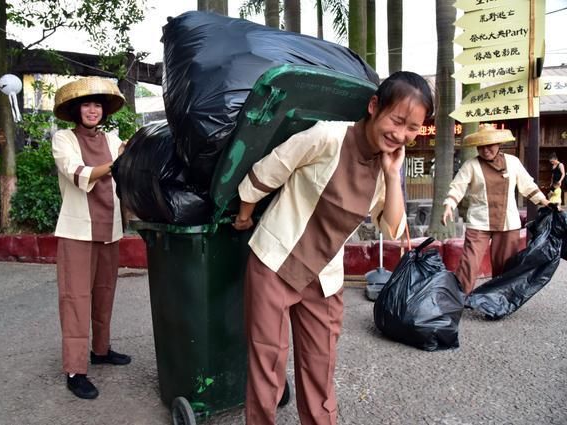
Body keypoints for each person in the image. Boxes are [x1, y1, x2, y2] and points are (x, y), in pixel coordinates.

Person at [232, 71, 434, 424]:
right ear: (374, 106)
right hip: (275, 261)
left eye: (413, 128)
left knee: (320, 367)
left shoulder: (387, 163)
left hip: (324, 277)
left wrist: (391, 174)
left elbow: (393, 227)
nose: (401, 134)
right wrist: (245, 216)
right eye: (397, 120)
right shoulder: (326, 137)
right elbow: (270, 170)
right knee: (268, 363)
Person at [52, 77, 131, 400]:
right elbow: (77, 173)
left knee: (104, 292)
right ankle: (75, 369)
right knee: (75, 299)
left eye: (98, 104)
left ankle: (101, 350)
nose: (93, 110)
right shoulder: (63, 139)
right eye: (86, 104)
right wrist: (115, 163)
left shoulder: (113, 139)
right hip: (77, 231)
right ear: (75, 110)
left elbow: (130, 167)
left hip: (109, 228)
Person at [441, 124, 550, 295]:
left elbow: (527, 185)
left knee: (504, 264)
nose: (485, 150)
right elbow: (457, 187)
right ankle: (457, 298)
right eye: (481, 146)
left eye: (489, 145)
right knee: (469, 261)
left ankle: (499, 299)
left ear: (499, 144)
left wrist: (544, 201)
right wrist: (449, 205)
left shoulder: (513, 162)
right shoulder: (471, 165)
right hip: (479, 221)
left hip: (508, 222)